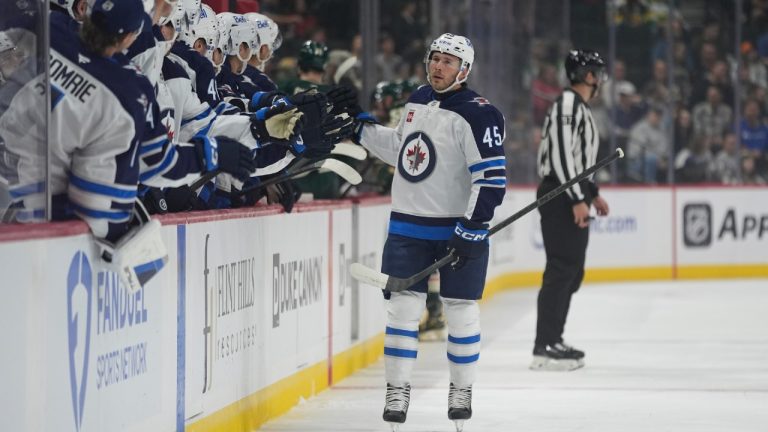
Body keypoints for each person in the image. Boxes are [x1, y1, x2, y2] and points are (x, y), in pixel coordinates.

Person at [334, 33, 506, 431]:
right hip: (407, 225)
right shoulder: (417, 99)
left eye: (448, 62)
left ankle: (461, 390)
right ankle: (397, 389)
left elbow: (492, 180)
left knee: (461, 311)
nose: (438, 67)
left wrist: (473, 225)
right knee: (403, 309)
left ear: (464, 70)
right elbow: (401, 149)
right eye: (435, 59)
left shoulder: (480, 113)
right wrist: (361, 130)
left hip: (457, 228)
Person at [533, 49, 610, 371]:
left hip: (570, 192)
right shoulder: (567, 104)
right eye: (597, 72)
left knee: (571, 271)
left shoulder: (578, 107)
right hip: (560, 194)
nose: (600, 79)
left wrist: (591, 193)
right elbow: (564, 158)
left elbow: (578, 160)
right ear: (588, 76)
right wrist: (577, 198)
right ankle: (544, 346)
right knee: (562, 269)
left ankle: (554, 339)